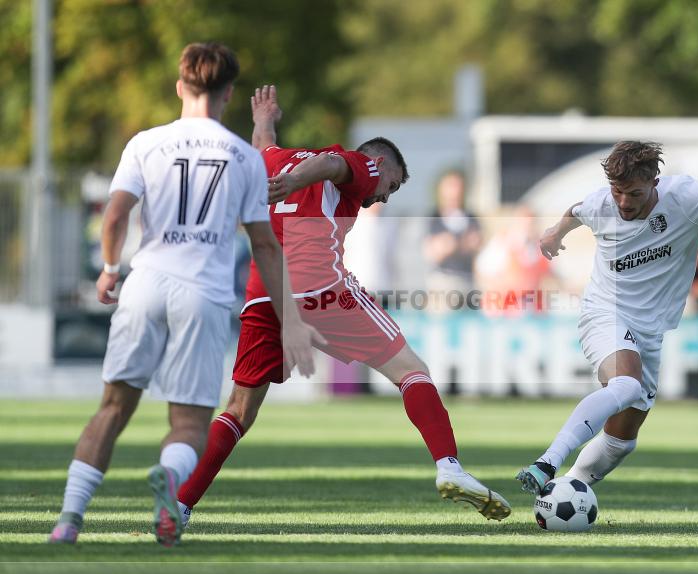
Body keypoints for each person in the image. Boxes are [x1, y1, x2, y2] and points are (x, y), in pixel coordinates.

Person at [174, 85, 510, 536]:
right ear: (381, 165)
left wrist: (264, 121)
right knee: (412, 369)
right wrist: (302, 180)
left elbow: (264, 149)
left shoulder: (277, 159)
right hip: (318, 288)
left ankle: (178, 505)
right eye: (389, 187)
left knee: (237, 409)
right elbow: (334, 164)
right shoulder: (358, 163)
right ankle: (449, 466)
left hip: (263, 295)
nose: (382, 196)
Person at [48, 43, 317, 547]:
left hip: (146, 283)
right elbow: (264, 245)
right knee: (189, 421)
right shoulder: (243, 156)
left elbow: (114, 216)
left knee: (112, 407)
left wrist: (109, 270)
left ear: (180, 87)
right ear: (228, 93)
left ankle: (68, 520)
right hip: (203, 294)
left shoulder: (145, 143)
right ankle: (169, 485)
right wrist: (295, 321)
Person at [516, 141, 698, 494]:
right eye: (618, 192)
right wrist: (556, 231)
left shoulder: (686, 199)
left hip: (649, 331)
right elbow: (576, 211)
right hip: (604, 313)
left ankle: (567, 489)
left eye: (634, 193)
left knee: (621, 441)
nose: (624, 202)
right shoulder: (602, 203)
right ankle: (546, 463)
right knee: (625, 386)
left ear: (655, 182)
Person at [423, 170, 482, 310]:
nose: (455, 191)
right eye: (451, 186)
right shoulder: (434, 217)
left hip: (468, 280)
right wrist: (462, 243)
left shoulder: (470, 217)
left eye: (458, 186)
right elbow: (434, 251)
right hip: (444, 282)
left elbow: (477, 243)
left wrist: (453, 243)